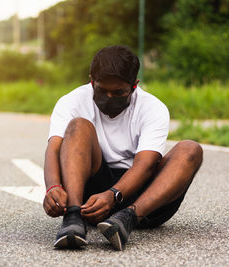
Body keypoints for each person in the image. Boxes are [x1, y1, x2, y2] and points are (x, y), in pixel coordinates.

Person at [43, 45, 203, 250]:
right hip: (91, 198)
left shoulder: (153, 108)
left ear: (134, 85)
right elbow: (54, 149)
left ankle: (126, 219)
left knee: (190, 149)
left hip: (144, 200)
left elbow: (146, 164)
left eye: (118, 92)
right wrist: (53, 187)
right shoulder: (72, 101)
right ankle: (73, 218)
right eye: (101, 90)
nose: (109, 97)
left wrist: (113, 195)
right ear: (91, 79)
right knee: (78, 126)